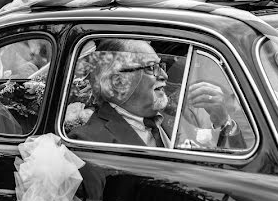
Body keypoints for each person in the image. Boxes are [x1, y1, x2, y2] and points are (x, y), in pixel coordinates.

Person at [69, 38, 245, 150]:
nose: (165, 76)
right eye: (152, 68)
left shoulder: (175, 117)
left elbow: (235, 171)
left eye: (161, 66)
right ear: (119, 83)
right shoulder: (90, 142)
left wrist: (223, 121)